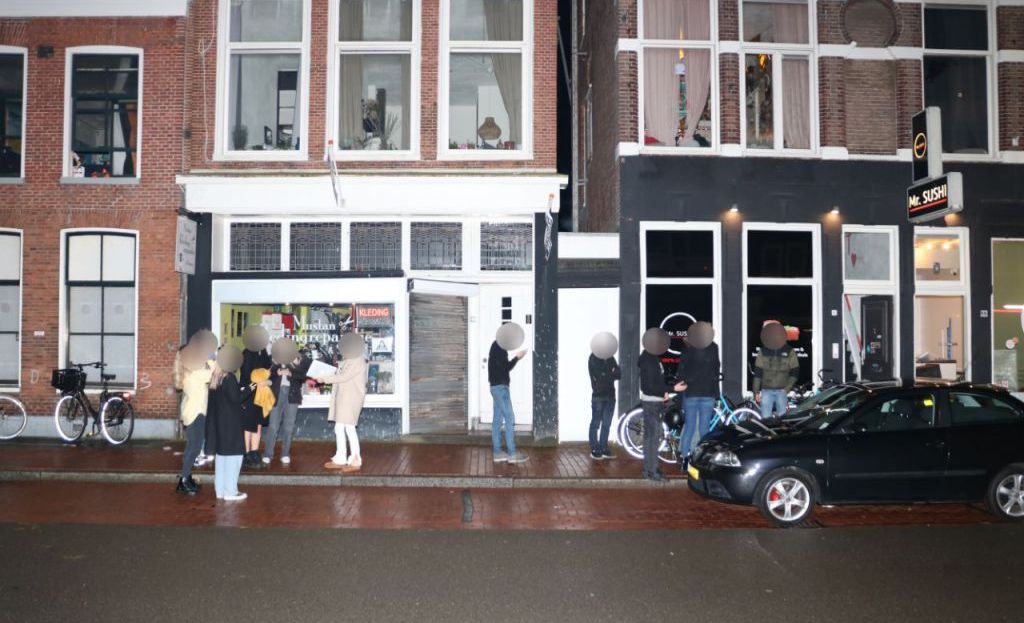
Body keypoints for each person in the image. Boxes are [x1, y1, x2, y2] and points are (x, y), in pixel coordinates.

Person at [638, 328, 687, 481]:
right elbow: (648, 386)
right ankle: (652, 471)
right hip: (652, 403)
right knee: (653, 438)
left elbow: (656, 383)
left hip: (655, 401)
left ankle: (650, 469)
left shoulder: (652, 357)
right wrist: (672, 389)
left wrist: (664, 391)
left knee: (652, 437)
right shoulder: (648, 360)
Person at [205, 345, 251, 501]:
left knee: (222, 459)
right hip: (231, 425)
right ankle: (231, 492)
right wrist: (252, 386)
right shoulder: (229, 377)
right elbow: (237, 398)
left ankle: (220, 491)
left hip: (219, 425)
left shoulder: (216, 377)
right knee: (234, 458)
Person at [317, 333, 368, 473]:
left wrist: (324, 379)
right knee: (340, 428)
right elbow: (339, 375)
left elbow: (344, 377)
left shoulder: (358, 361)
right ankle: (341, 458)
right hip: (344, 398)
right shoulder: (349, 360)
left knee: (349, 428)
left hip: (351, 399)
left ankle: (355, 459)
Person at [677, 321, 720, 468]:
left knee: (689, 427)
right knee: (704, 430)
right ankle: (702, 461)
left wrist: (684, 384)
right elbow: (716, 368)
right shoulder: (714, 348)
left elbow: (681, 372)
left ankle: (684, 460)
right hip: (708, 393)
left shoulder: (688, 348)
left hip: (691, 393)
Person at [262, 338, 311, 466]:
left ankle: (285, 454)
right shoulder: (272, 358)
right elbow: (265, 374)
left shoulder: (299, 358)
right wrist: (277, 372)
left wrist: (290, 373)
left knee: (289, 427)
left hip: (292, 395)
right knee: (273, 426)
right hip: (276, 394)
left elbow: (303, 375)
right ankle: (267, 454)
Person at [176, 341, 214, 495]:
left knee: (192, 447)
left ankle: (186, 477)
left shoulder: (188, 371)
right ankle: (183, 481)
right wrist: (209, 359)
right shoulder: (195, 373)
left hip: (192, 411)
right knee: (194, 448)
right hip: (195, 413)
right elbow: (214, 371)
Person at [489, 323, 528, 464]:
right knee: (510, 418)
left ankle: (497, 453)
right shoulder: (499, 348)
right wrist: (517, 357)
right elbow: (505, 368)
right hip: (501, 388)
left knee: (497, 420)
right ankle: (512, 454)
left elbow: (501, 368)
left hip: (496, 388)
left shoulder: (496, 346)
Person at [239, 325, 273, 467]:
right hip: (249, 395)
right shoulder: (246, 353)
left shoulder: (263, 352)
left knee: (258, 425)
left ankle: (254, 452)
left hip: (261, 395)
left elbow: (268, 370)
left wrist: (268, 380)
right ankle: (246, 454)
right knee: (248, 426)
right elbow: (247, 376)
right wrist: (260, 381)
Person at [753, 321, 800, 420]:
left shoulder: (789, 351)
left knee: (782, 421)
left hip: (782, 391)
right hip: (766, 391)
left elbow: (795, 371)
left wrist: (787, 388)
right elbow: (758, 373)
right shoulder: (763, 351)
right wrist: (756, 391)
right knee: (766, 420)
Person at [588, 332, 620, 460]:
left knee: (607, 424)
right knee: (596, 423)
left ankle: (603, 447)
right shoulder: (593, 358)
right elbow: (600, 376)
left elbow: (618, 374)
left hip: (610, 395)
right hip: (599, 396)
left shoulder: (610, 358)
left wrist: (609, 373)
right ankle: (594, 448)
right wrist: (610, 372)